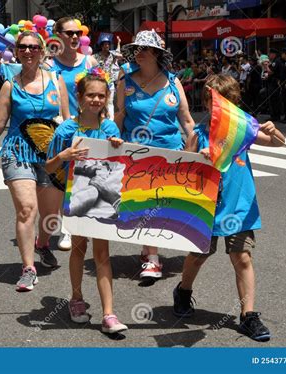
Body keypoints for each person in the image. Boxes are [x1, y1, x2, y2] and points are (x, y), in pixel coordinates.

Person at [174, 74, 286, 342]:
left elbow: (279, 143)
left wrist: (274, 130)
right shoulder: (198, 135)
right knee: (199, 255)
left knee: (242, 257)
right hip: (206, 206)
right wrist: (199, 160)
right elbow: (184, 171)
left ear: (234, 104)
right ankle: (183, 291)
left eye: (225, 102)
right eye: (213, 102)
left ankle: (248, 316)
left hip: (239, 205)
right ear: (207, 103)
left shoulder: (243, 131)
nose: (219, 108)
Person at [0, 31, 70, 292]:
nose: (28, 51)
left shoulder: (56, 80)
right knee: (27, 209)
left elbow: (68, 119)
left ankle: (42, 244)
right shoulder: (10, 85)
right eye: (23, 47)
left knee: (51, 215)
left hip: (51, 154)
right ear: (16, 51)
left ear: (42, 51)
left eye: (33, 47)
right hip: (18, 152)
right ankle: (28, 268)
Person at [45, 70, 128, 334]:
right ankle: (76, 298)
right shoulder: (67, 128)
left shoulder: (110, 128)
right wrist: (65, 154)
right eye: (90, 95)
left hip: (104, 197)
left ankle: (108, 314)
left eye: (101, 96)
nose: (96, 100)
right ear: (79, 97)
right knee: (79, 249)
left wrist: (118, 146)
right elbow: (48, 167)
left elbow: (121, 162)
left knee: (102, 254)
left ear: (107, 98)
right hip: (77, 197)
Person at [116, 30, 195, 280]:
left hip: (170, 153)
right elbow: (118, 117)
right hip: (136, 154)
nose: (138, 54)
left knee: (161, 205)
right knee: (147, 204)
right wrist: (109, 147)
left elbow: (187, 119)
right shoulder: (125, 82)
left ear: (156, 54)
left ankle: (147, 248)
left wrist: (197, 151)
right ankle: (152, 258)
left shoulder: (173, 81)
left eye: (145, 49)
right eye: (136, 49)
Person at [46, 17, 98, 250]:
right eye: (69, 33)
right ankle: (66, 228)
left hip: (89, 126)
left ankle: (82, 221)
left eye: (77, 32)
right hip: (60, 128)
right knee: (64, 178)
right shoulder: (49, 65)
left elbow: (101, 90)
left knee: (86, 176)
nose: (75, 37)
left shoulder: (89, 62)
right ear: (58, 36)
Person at [93, 33, 122, 119]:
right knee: (100, 101)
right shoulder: (95, 56)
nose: (107, 46)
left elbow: (119, 53)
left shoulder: (112, 55)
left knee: (110, 101)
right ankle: (100, 117)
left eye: (108, 44)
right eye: (105, 44)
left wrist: (119, 43)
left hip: (110, 83)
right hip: (99, 82)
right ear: (101, 45)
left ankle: (110, 119)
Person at [267, 48, 283, 121]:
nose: (269, 55)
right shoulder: (275, 61)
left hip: (275, 83)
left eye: (270, 54)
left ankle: (275, 116)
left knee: (274, 100)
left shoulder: (276, 61)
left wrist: (265, 66)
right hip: (273, 82)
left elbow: (271, 72)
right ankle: (274, 115)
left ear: (273, 54)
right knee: (273, 100)